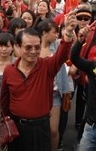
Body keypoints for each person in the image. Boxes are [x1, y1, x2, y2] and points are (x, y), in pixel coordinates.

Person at [1, 12, 77, 151]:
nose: (33, 51)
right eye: (28, 47)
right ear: (17, 47)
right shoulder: (9, 71)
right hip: (16, 129)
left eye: (37, 47)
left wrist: (68, 32)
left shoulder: (46, 66)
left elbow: (62, 55)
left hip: (40, 129)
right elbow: (4, 102)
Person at [36, 19, 73, 151]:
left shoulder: (57, 46)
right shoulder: (34, 48)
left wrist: (69, 31)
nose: (57, 35)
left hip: (54, 94)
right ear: (44, 33)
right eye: (54, 32)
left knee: (53, 130)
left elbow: (67, 45)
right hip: (37, 93)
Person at [0, 32, 15, 98]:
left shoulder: (18, 63)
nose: (4, 49)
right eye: (1, 46)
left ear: (13, 47)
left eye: (7, 46)